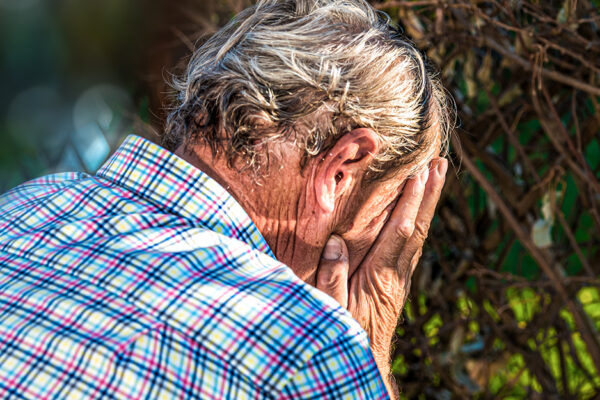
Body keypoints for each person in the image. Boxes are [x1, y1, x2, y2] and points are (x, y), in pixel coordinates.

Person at [0, 0, 452, 398]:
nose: (384, 247)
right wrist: (365, 351)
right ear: (340, 170)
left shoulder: (25, 207)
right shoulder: (307, 346)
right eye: (391, 216)